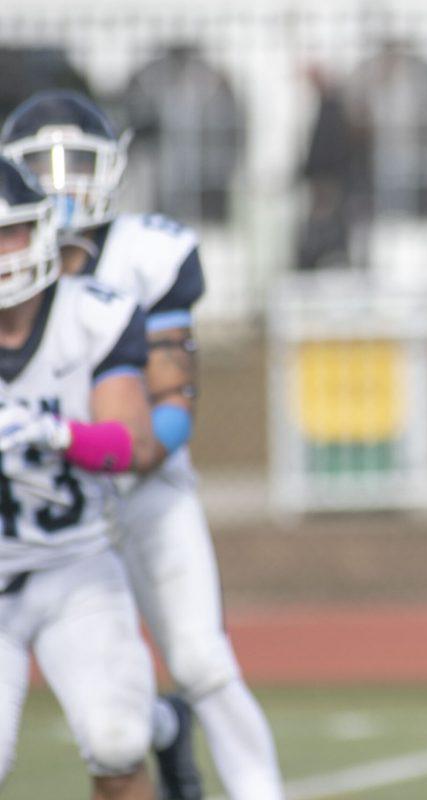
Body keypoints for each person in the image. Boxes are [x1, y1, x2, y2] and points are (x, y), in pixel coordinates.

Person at [1, 90, 285, 800]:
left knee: (200, 662)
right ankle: (160, 727)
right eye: (41, 165)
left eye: (77, 163)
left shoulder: (143, 257)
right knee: (120, 720)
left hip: (135, 491)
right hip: (28, 519)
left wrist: (73, 439)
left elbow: (160, 427)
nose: (63, 183)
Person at [0, 155, 159, 799]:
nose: (3, 251)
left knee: (119, 739)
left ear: (43, 229)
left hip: (76, 565)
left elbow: (133, 445)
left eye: (11, 230)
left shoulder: (93, 312)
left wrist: (56, 433)